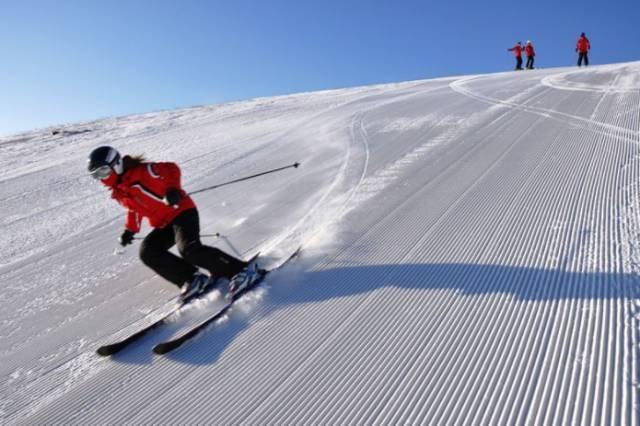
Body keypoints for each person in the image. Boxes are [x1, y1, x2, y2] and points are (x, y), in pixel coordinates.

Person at [87, 146, 258, 300]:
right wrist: (130, 230)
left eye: (103, 171)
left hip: (182, 211)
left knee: (189, 249)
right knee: (148, 252)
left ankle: (240, 271)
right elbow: (134, 209)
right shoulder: (120, 191)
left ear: (116, 165)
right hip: (164, 223)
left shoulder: (142, 171)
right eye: (96, 175)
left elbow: (171, 169)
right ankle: (191, 278)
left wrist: (172, 189)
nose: (102, 178)